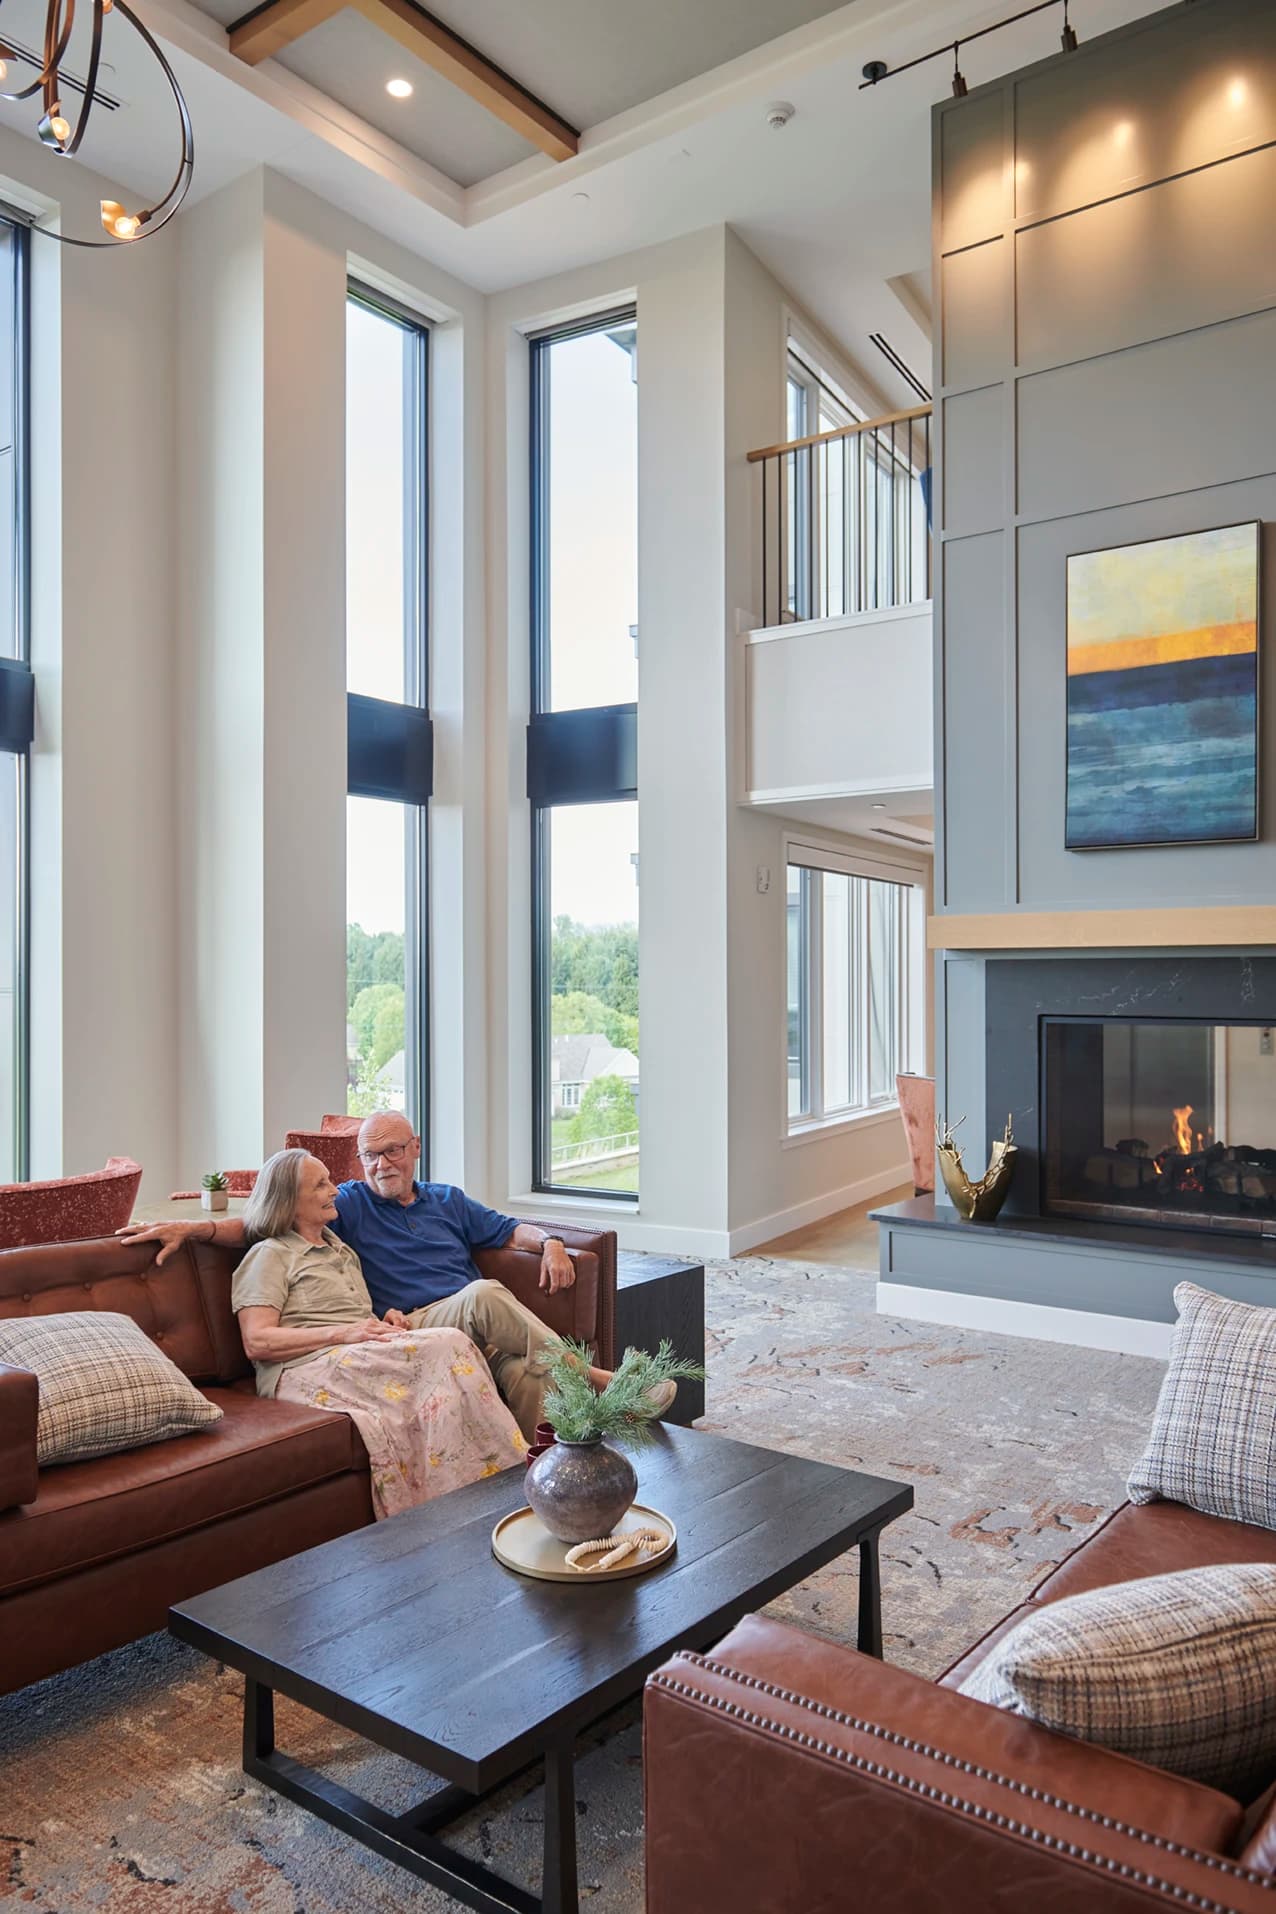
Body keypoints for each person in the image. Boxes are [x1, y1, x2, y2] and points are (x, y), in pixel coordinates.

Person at [121, 1111, 672, 1437]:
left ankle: (538, 1483)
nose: (380, 1165)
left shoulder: (446, 1200)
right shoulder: (351, 1205)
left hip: (477, 1327)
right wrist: (192, 1229)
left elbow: (508, 1230)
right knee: (483, 1293)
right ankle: (603, 1380)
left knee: (529, 1373)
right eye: (368, 1156)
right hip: (418, 1321)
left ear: (415, 1151)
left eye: (391, 1152)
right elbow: (261, 1223)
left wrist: (550, 1242)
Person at [232, 1149, 527, 1519]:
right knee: (448, 1343)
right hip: (303, 1367)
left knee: (446, 1370)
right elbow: (257, 1341)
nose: (334, 1190)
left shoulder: (341, 1251)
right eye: (321, 1185)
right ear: (290, 1202)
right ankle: (509, 1486)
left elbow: (351, 1315)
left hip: (356, 1350)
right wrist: (344, 1334)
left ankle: (475, 1494)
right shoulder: (269, 1255)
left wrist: (381, 1319)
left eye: (330, 1180)